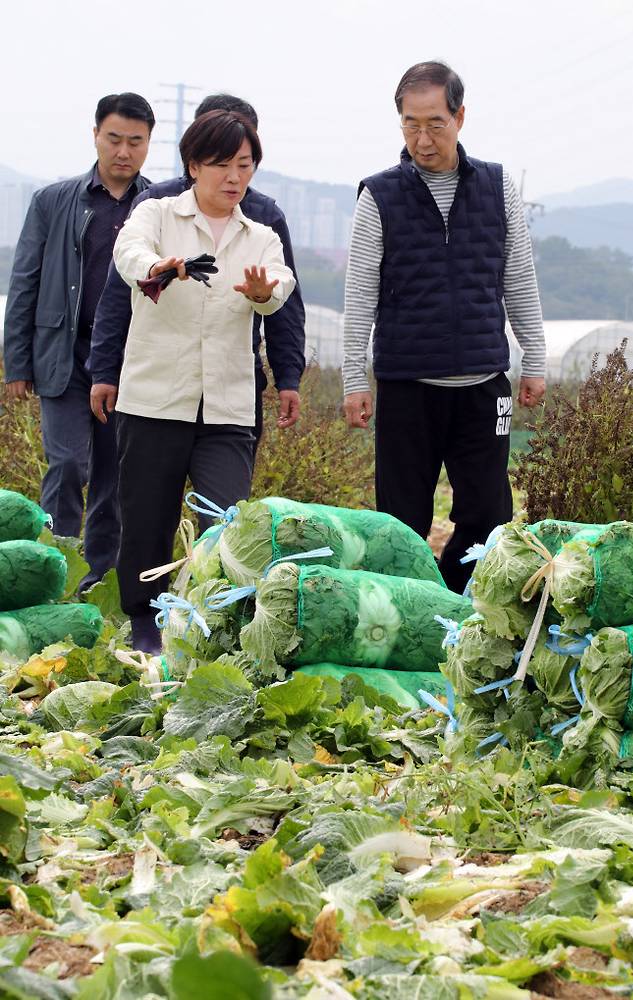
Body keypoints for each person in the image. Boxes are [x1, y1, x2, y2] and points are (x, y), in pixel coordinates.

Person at [342, 60, 546, 593]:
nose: (423, 138)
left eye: (435, 122)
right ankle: (412, 605)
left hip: (482, 384)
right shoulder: (379, 195)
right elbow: (359, 290)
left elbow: (519, 276)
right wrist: (353, 378)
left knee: (488, 516)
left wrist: (536, 358)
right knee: (400, 521)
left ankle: (453, 600)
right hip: (408, 385)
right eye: (411, 124)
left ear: (460, 116)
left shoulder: (497, 186)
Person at [112, 110, 295, 652]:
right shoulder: (157, 213)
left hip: (227, 408)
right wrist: (161, 266)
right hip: (154, 399)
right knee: (147, 517)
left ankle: (211, 624)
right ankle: (144, 622)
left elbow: (280, 284)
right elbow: (129, 254)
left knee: (224, 522)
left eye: (245, 165)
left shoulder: (259, 234)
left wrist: (263, 294)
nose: (234, 177)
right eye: (221, 165)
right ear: (194, 166)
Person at [89, 93, 306, 457]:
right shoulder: (157, 206)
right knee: (137, 502)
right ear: (195, 154)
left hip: (231, 385)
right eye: (220, 155)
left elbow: (283, 299)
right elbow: (118, 291)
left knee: (227, 509)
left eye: (243, 158)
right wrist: (105, 370)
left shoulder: (264, 219)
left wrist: (288, 378)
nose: (233, 174)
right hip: (157, 389)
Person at [3, 93, 154, 589]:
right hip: (63, 356)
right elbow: (25, 280)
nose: (123, 152)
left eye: (135, 141)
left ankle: (98, 580)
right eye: (114, 139)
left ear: (149, 144)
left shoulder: (159, 204)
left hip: (129, 362)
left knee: (115, 478)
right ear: (95, 136)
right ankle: (54, 569)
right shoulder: (53, 201)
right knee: (67, 463)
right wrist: (17, 363)